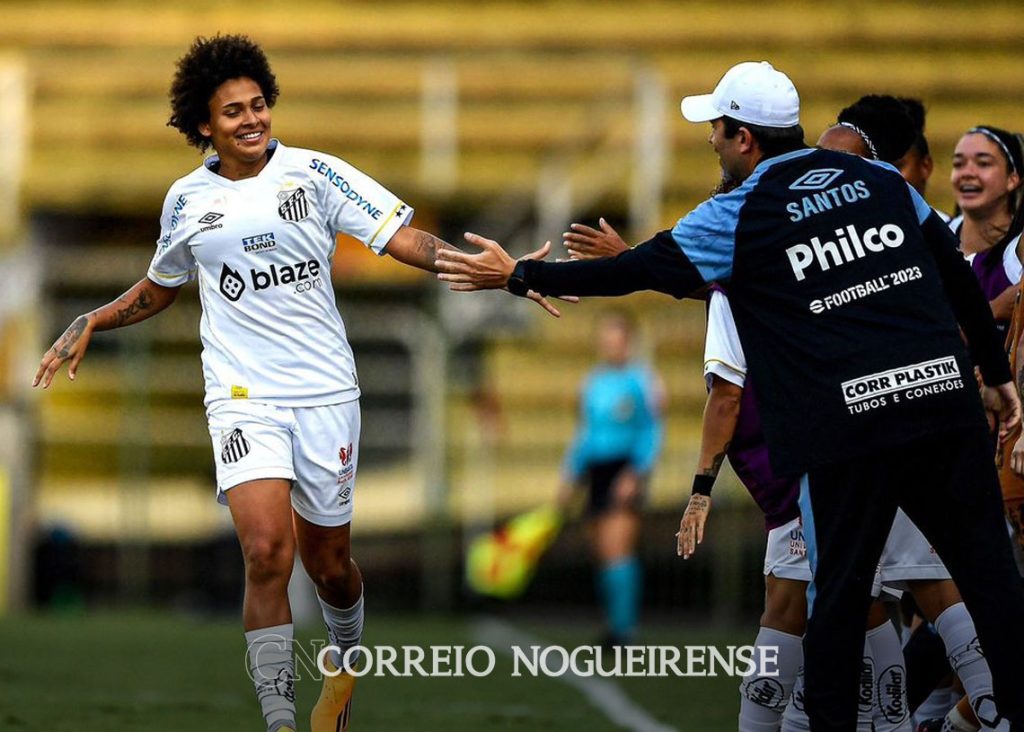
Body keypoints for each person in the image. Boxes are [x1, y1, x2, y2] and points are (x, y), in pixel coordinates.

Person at [434, 60, 1024, 732]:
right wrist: (996, 375)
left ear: (744, 137)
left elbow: (636, 271)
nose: (710, 140)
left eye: (716, 128)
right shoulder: (881, 178)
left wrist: (518, 275)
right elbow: (947, 267)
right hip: (939, 402)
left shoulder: (739, 211)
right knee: (992, 583)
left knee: (838, 600)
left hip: (851, 424)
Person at [31, 34, 559, 732]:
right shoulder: (186, 200)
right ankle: (280, 716)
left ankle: (344, 661)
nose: (251, 120)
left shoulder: (317, 175)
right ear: (203, 126)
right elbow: (163, 285)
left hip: (326, 395)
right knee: (265, 551)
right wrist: (94, 317)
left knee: (330, 565)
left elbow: (407, 242)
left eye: (258, 105)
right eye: (232, 111)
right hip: (242, 396)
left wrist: (502, 271)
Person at [558, 310, 664, 647]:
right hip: (596, 471)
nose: (610, 344)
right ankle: (613, 624)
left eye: (616, 337)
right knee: (602, 551)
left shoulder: (642, 380)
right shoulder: (593, 381)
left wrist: (636, 472)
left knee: (618, 549)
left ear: (628, 341)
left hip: (625, 468)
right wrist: (570, 475)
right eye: (606, 338)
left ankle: (624, 629)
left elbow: (652, 430)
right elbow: (585, 433)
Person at [949, 126, 1024, 334]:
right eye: (958, 164)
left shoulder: (1016, 251)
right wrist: (995, 309)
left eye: (983, 163)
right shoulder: (932, 234)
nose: (967, 173)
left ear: (1013, 178)